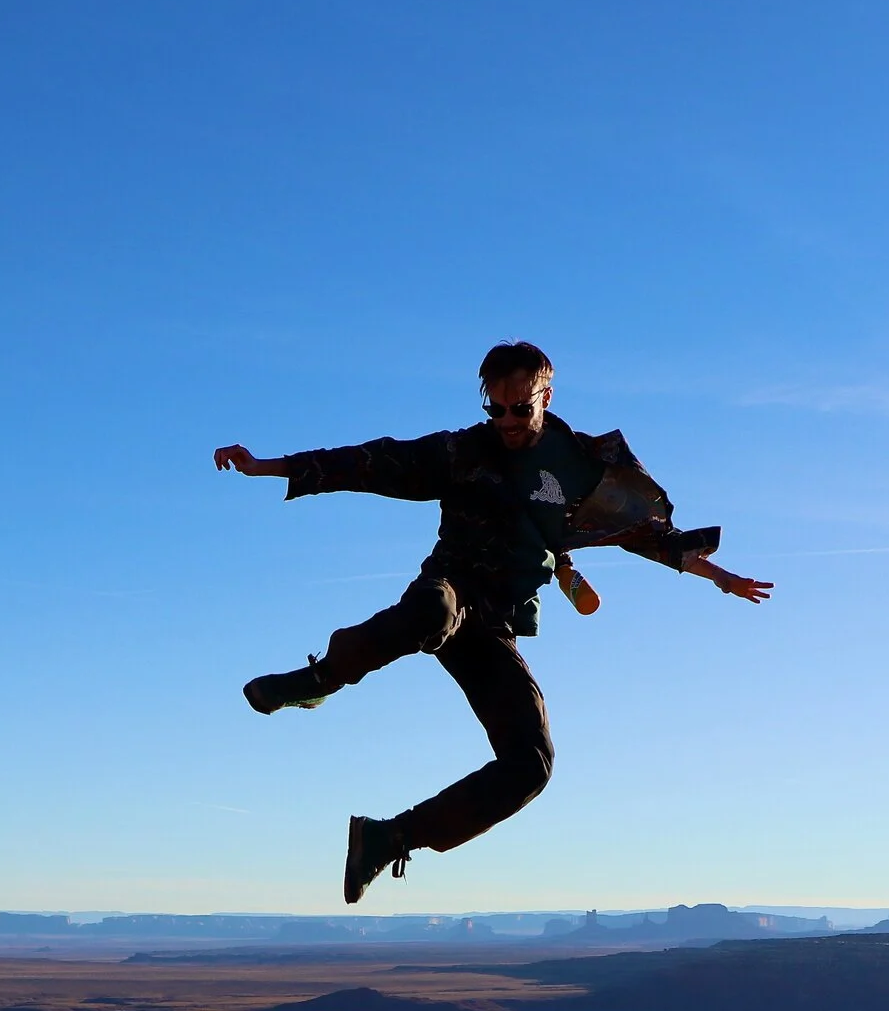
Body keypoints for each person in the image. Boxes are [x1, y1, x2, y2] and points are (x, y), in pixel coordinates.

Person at [213, 341, 772, 902]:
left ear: (545, 397)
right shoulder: (463, 452)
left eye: (519, 408)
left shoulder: (584, 466)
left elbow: (644, 531)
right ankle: (319, 680)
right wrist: (266, 466)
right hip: (451, 588)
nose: (506, 420)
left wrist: (719, 576)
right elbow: (372, 461)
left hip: (494, 625)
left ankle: (389, 838)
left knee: (531, 765)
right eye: (495, 409)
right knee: (431, 611)